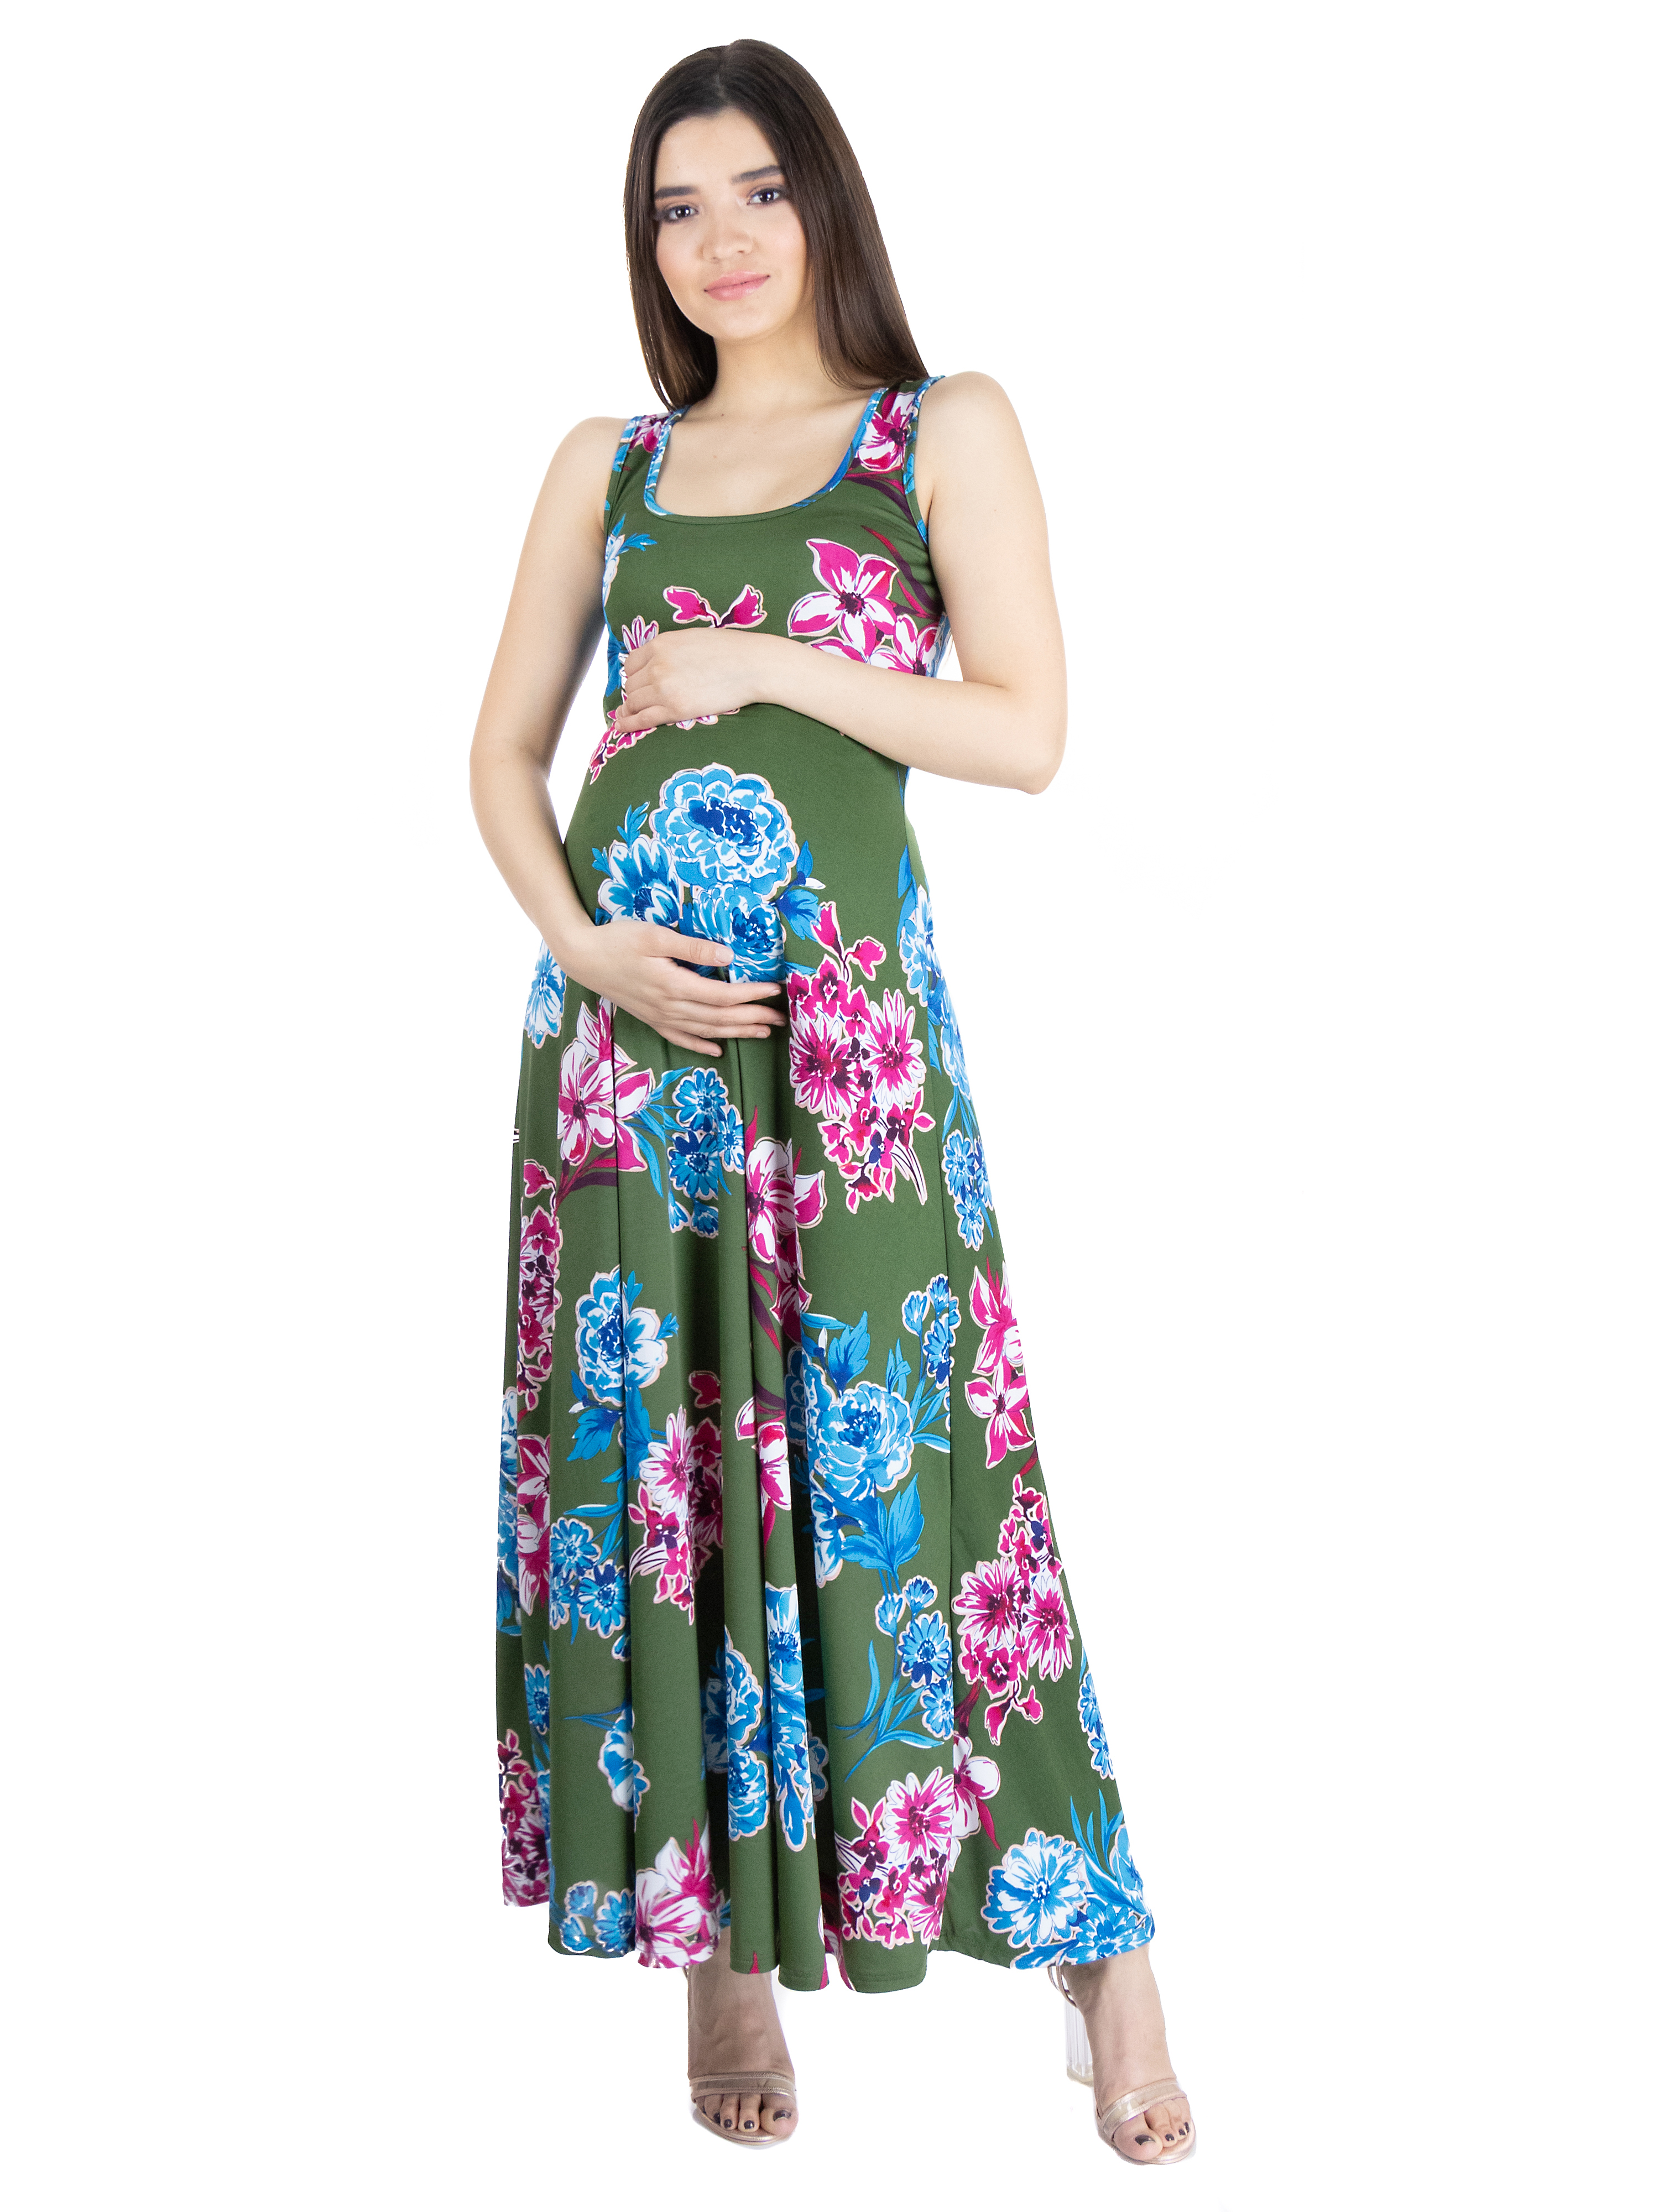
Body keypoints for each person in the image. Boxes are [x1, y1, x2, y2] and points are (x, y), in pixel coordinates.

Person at [469, 39, 1196, 2164]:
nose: (721, 241)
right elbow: (500, 756)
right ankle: (714, 1955)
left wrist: (763, 665)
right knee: (672, 1493)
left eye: (759, 192)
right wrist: (585, 946)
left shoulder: (936, 428)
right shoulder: (607, 462)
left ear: (828, 200)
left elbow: (1027, 730)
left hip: (851, 1078)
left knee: (940, 1495)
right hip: (626, 1078)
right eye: (677, 208)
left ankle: (1104, 1959)